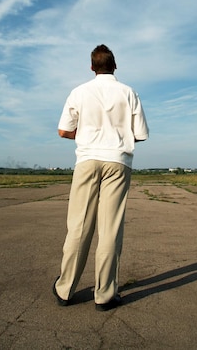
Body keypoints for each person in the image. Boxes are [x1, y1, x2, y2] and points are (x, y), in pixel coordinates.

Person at [53, 44, 149, 311]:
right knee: (110, 229)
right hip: (117, 162)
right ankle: (105, 294)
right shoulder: (129, 92)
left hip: (86, 160)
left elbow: (63, 131)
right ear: (114, 65)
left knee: (79, 226)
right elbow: (139, 134)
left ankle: (65, 289)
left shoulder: (79, 92)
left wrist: (84, 134)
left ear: (92, 67)